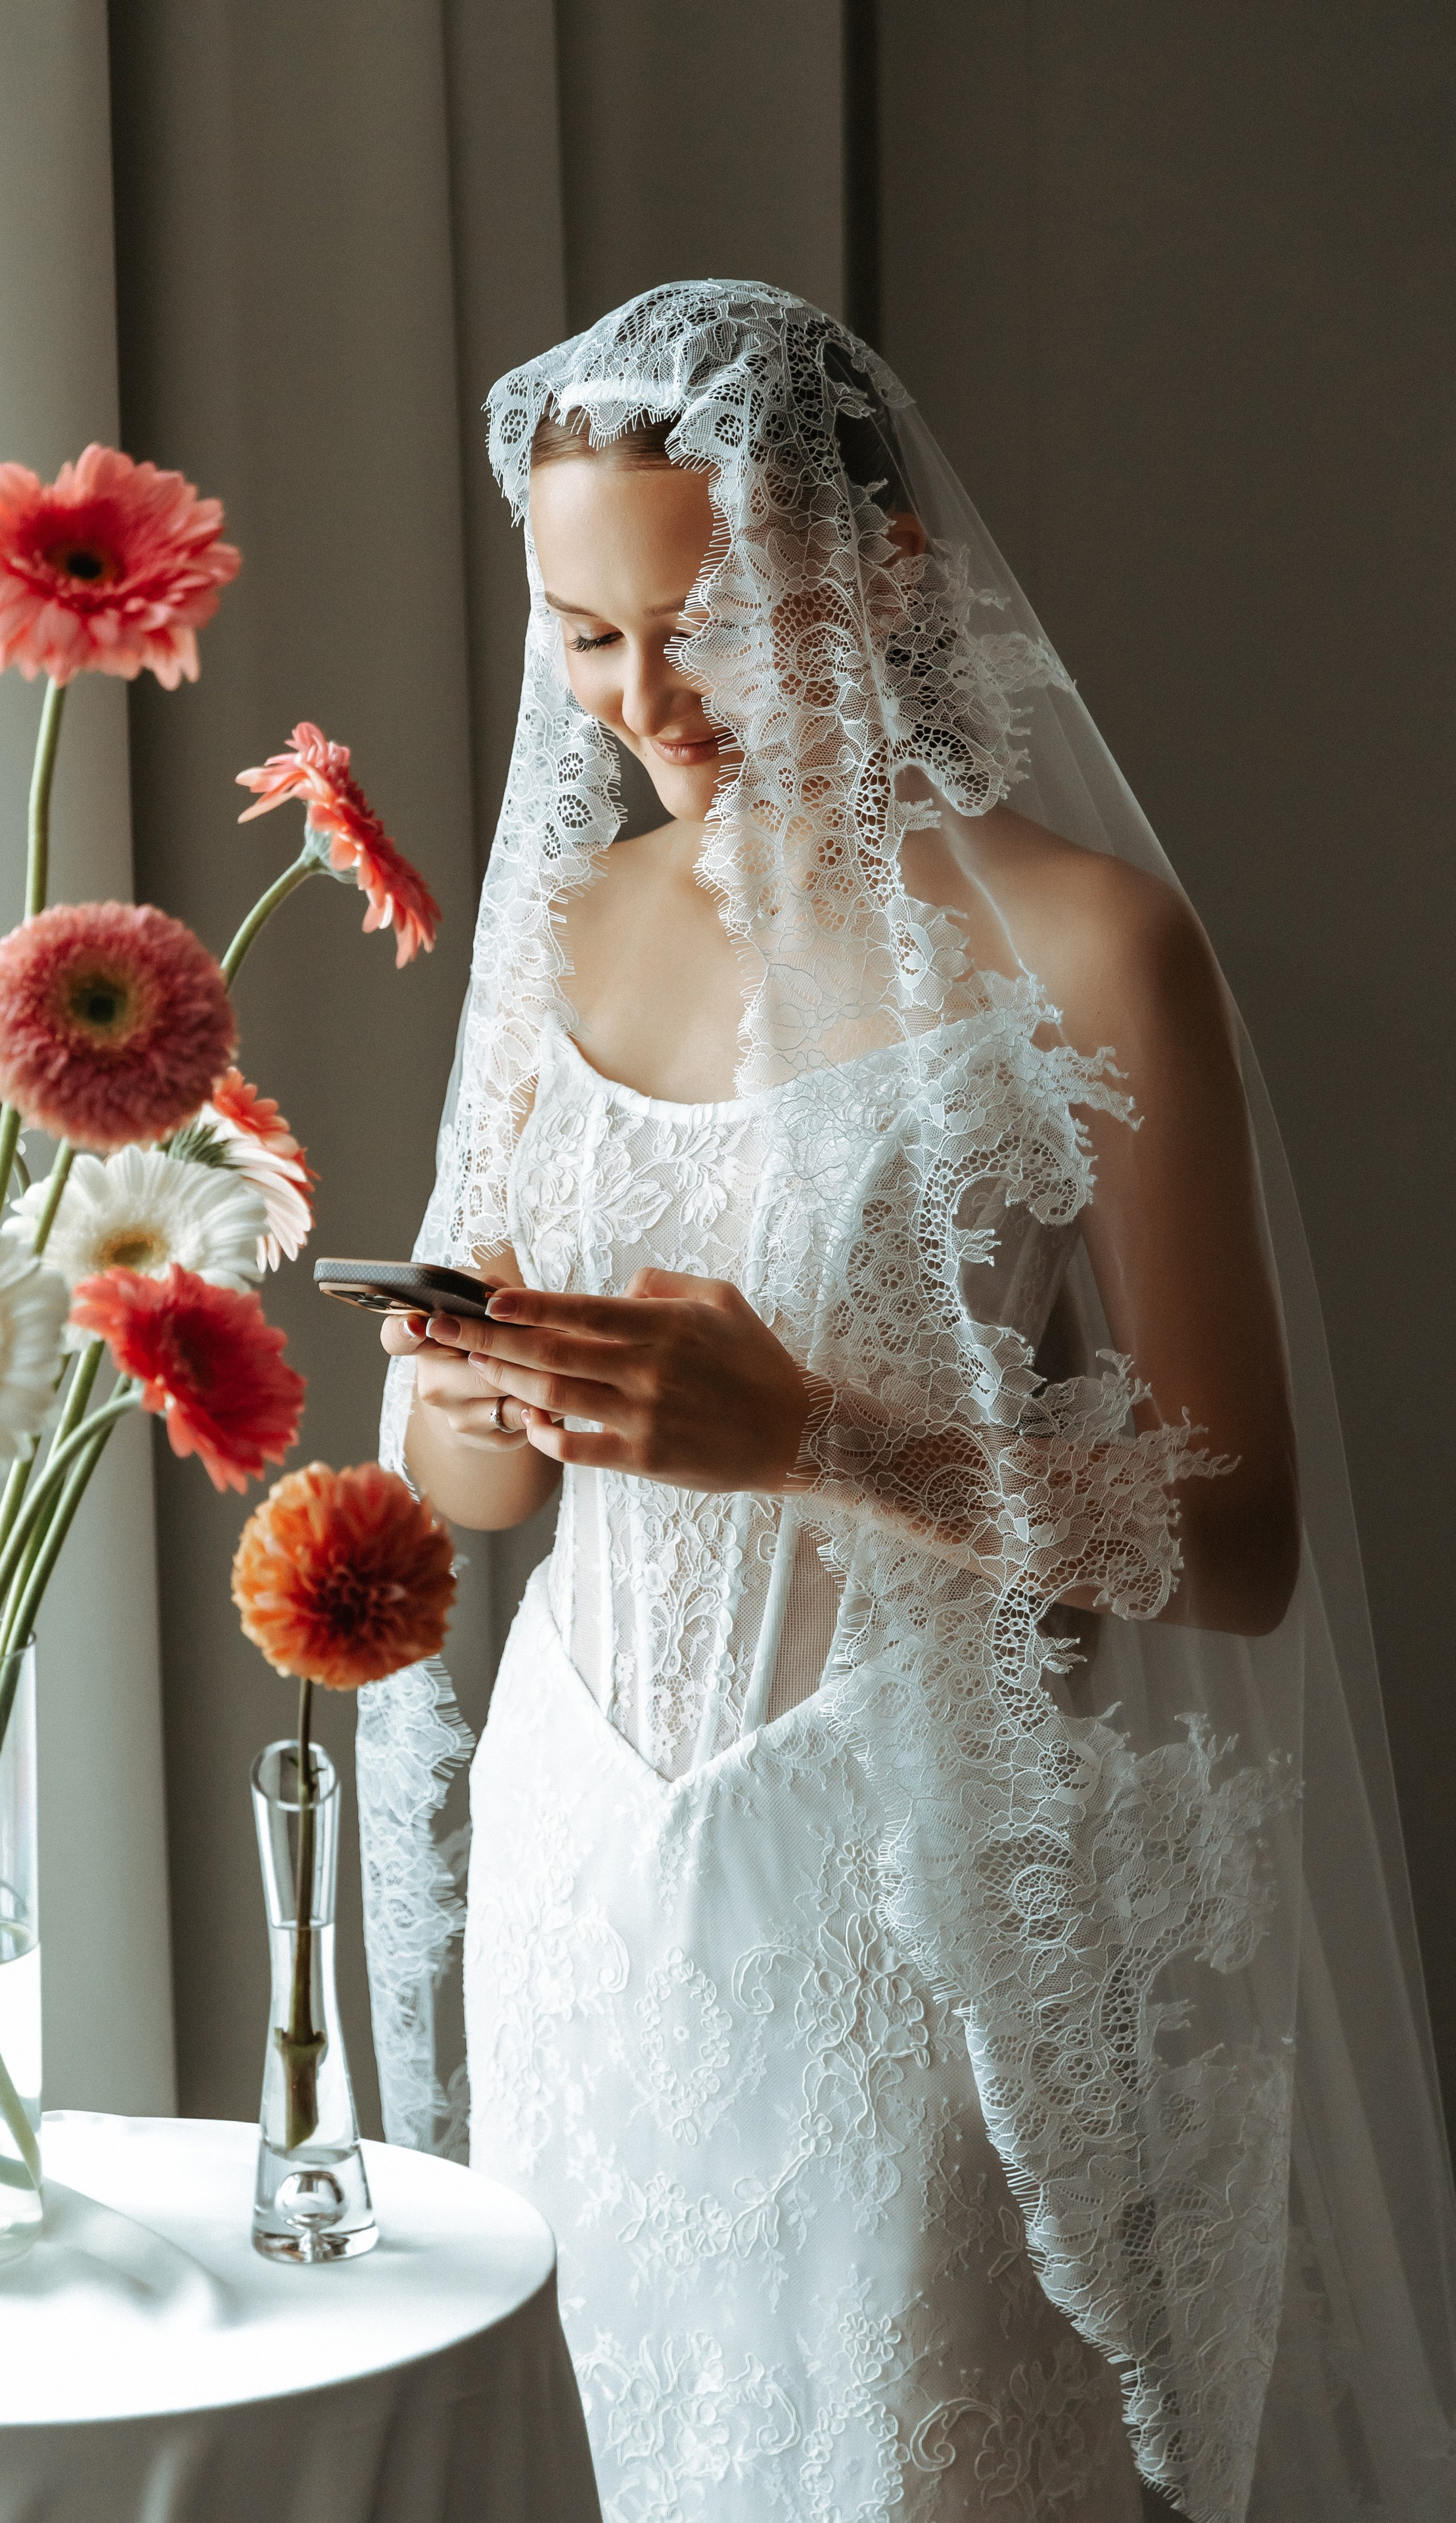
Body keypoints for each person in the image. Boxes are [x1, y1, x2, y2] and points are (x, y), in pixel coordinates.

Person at [357, 283, 1456, 2522]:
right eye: (585, 639)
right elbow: (455, 1493)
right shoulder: (567, 927)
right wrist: (471, 1376)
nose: (647, 703)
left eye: (710, 624)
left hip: (896, 1882)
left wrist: (806, 1438)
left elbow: (1233, 1545)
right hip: (592, 1872)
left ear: (880, 574)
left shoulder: (1094, 949)